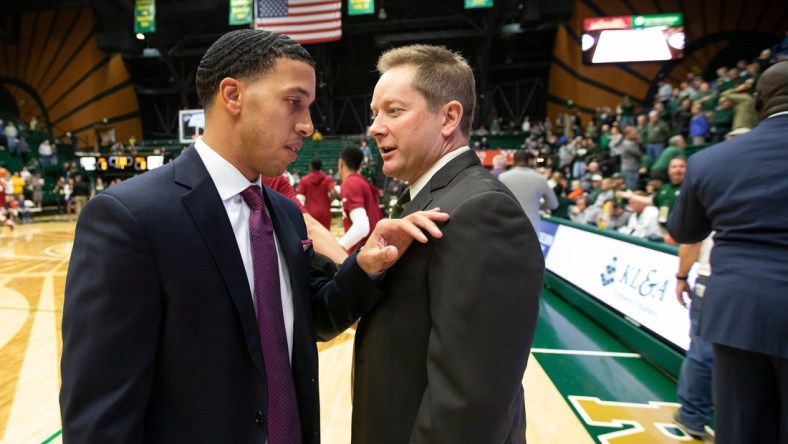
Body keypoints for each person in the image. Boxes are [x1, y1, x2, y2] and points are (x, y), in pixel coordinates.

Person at [60, 29, 448, 443]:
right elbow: (100, 417)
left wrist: (364, 266)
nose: (308, 125)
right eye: (294, 102)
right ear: (233, 95)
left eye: (309, 107)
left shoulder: (283, 213)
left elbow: (311, 316)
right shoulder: (130, 217)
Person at [354, 43, 543, 443]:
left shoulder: (483, 211)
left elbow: (468, 402)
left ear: (449, 117)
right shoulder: (431, 197)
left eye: (393, 110)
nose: (374, 127)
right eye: (374, 114)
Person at [667, 61, 788, 443]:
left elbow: (684, 231)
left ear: (757, 100)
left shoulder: (711, 160)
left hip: (737, 309)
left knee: (740, 431)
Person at [672, 236, 714, 439]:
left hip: (719, 276)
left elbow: (692, 240)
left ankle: (692, 417)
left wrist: (681, 277)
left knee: (703, 350)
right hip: (778, 279)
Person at [337, 145, 383, 253]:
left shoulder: (350, 183)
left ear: (341, 163)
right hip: (373, 249)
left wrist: (339, 248)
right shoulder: (362, 182)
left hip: (361, 254)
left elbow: (361, 226)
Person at [499, 150, 558, 232]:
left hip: (509, 226)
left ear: (514, 161)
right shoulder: (540, 179)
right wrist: (536, 205)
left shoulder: (503, 177)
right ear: (529, 161)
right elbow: (553, 204)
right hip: (532, 228)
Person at [296, 158, 335, 229]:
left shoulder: (304, 179)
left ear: (311, 167)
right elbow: (333, 193)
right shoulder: (327, 179)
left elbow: (299, 198)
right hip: (324, 212)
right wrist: (330, 201)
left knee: (311, 237)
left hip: (310, 213)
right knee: (325, 236)